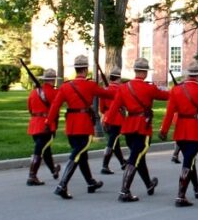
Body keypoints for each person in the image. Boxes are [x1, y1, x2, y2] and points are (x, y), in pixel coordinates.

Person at [45, 55, 113, 199]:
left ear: (76, 69)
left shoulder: (65, 86)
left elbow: (55, 106)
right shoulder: (90, 85)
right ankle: (62, 185)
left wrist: (48, 122)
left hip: (70, 125)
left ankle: (90, 183)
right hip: (84, 125)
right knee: (77, 154)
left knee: (82, 155)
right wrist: (117, 88)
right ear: (86, 69)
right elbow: (107, 94)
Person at [105, 58, 170, 201]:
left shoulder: (123, 87)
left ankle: (149, 184)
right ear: (145, 72)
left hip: (129, 127)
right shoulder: (149, 88)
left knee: (139, 158)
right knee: (135, 158)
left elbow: (114, 107)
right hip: (142, 127)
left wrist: (107, 121)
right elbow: (166, 96)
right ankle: (124, 191)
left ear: (135, 71)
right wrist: (180, 90)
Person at [160, 62, 198, 207]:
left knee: (190, 159)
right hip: (194, 129)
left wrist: (164, 130)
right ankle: (181, 196)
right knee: (188, 161)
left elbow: (169, 113)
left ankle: (196, 187)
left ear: (188, 74)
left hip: (180, 129)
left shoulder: (176, 89)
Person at [26, 68, 62, 186]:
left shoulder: (33, 92)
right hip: (46, 125)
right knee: (40, 149)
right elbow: (56, 110)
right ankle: (32, 175)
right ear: (53, 80)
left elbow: (30, 109)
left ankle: (53, 170)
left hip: (34, 124)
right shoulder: (54, 92)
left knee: (45, 149)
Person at [98, 67, 127, 175]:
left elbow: (101, 108)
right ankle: (105, 165)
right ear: (118, 78)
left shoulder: (105, 90)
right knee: (112, 142)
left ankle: (122, 163)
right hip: (117, 119)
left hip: (106, 117)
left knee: (115, 142)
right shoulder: (121, 89)